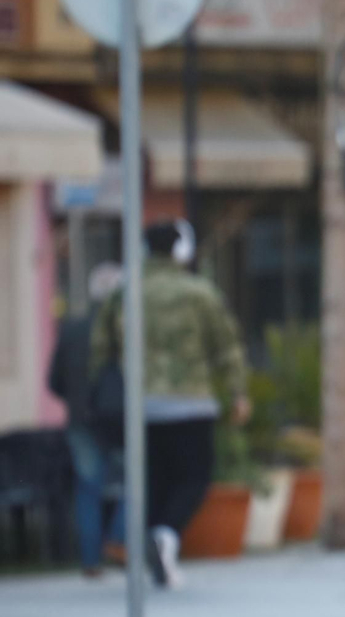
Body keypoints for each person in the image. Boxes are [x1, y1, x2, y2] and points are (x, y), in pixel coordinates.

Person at [90, 221, 251, 589]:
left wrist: (100, 395)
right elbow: (227, 346)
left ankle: (160, 548)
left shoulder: (124, 291)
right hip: (190, 403)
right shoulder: (199, 292)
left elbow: (100, 348)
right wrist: (238, 392)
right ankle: (165, 537)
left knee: (153, 481)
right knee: (193, 477)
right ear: (182, 252)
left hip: (139, 406)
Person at [48, 262, 123, 577]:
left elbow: (53, 381)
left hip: (81, 419)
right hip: (120, 419)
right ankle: (119, 540)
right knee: (137, 482)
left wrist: (79, 401)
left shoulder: (73, 327)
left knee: (88, 488)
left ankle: (91, 560)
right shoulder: (125, 326)